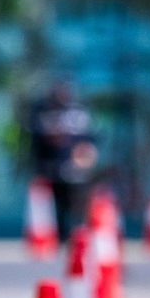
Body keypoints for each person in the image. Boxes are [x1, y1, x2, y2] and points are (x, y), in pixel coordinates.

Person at [27, 79, 97, 242]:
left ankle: (77, 232)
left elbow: (87, 140)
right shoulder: (42, 110)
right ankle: (60, 233)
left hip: (74, 168)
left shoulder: (78, 111)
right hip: (51, 167)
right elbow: (36, 139)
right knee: (55, 203)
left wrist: (84, 160)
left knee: (76, 201)